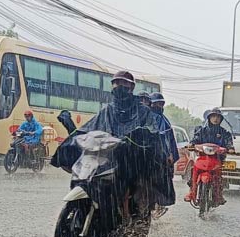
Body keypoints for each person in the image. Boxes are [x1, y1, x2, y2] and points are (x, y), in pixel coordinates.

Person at [51, 70, 176, 208]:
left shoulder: (143, 111)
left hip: (131, 158)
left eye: (122, 83)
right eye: (115, 83)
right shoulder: (108, 110)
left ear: (131, 87)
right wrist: (75, 136)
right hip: (108, 155)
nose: (118, 86)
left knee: (133, 181)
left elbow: (152, 130)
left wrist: (139, 136)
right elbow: (90, 127)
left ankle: (131, 210)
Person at [183, 108, 234, 205]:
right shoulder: (202, 130)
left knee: (218, 177)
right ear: (209, 118)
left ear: (221, 119)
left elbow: (229, 143)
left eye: (218, 117)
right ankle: (191, 192)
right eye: (213, 116)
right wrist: (192, 144)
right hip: (202, 157)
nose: (215, 119)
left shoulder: (224, 132)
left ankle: (218, 195)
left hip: (217, 159)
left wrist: (230, 148)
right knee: (194, 169)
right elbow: (195, 139)